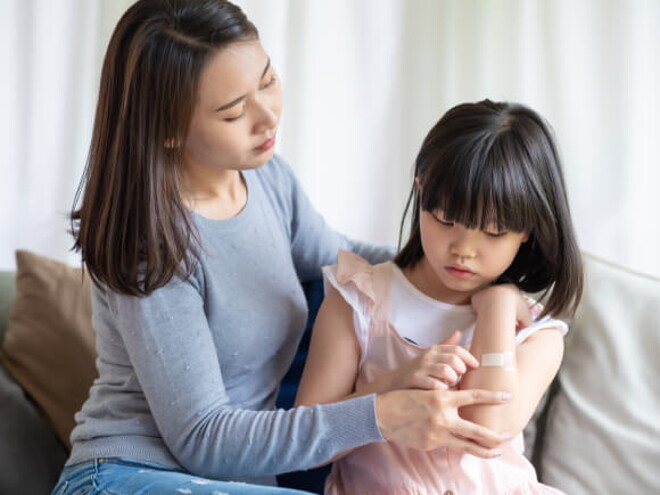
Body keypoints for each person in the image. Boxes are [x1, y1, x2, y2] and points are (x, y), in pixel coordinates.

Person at [51, 2, 514, 494]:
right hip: (125, 477)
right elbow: (202, 439)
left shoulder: (265, 179)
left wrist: (491, 276)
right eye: (233, 112)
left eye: (268, 81)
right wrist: (380, 412)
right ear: (165, 130)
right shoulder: (150, 245)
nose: (268, 116)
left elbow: (351, 260)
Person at [295, 100, 584, 494]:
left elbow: (488, 430)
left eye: (494, 233)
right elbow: (305, 444)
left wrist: (497, 308)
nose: (463, 249)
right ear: (421, 186)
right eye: (446, 220)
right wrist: (396, 383)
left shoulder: (537, 333)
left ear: (528, 228)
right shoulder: (358, 299)